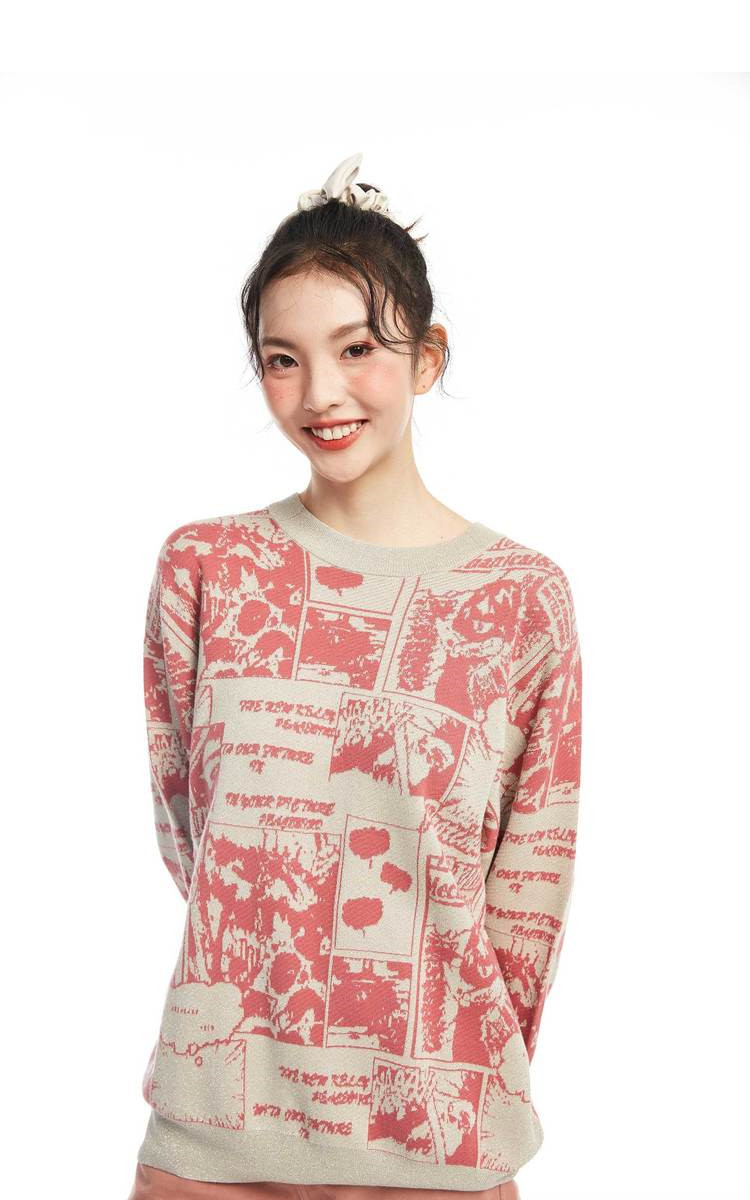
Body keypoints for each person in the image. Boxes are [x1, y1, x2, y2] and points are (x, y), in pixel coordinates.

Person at [128, 153, 583, 1200]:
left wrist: (453, 1086)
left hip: (438, 1140)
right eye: (282, 359)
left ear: (428, 357)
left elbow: (531, 889)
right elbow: (195, 833)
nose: (320, 394)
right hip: (214, 1136)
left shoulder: (520, 599)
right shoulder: (208, 568)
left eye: (358, 348)